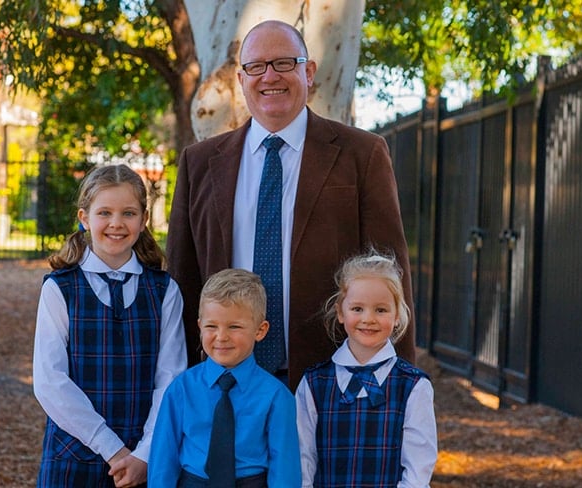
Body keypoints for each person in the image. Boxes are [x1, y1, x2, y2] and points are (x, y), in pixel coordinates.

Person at [166, 19, 415, 389]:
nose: (270, 76)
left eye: (284, 63)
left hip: (331, 383)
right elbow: (182, 282)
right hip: (225, 383)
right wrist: (181, 386)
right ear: (240, 78)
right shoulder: (200, 163)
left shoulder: (361, 155)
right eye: (256, 66)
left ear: (309, 72)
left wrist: (401, 386)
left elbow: (391, 276)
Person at [33, 164, 187, 488]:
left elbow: (171, 379)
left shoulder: (164, 290)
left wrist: (144, 455)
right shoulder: (59, 289)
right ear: (84, 217)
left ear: (144, 220)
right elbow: (49, 381)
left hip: (144, 460)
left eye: (128, 213)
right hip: (72, 458)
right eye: (104, 212)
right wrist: (113, 450)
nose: (116, 224)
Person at [295, 249, 437, 487]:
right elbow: (303, 457)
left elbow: (417, 468)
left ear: (397, 316)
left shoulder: (413, 386)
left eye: (381, 310)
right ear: (341, 312)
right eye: (357, 309)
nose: (368, 318)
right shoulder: (313, 383)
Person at [148, 268, 301, 487]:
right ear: (200, 326)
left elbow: (285, 470)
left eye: (234, 327)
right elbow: (163, 458)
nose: (221, 337)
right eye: (211, 326)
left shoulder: (277, 396)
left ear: (260, 330)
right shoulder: (181, 388)